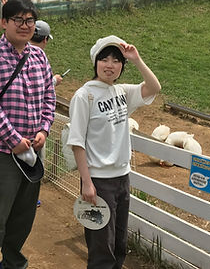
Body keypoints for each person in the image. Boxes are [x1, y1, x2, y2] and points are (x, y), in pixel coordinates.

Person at [0, 0, 56, 268]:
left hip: (33, 150)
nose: (24, 25)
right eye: (17, 20)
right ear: (5, 22)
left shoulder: (39, 56)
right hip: (1, 152)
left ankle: (12, 263)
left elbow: (49, 97)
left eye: (29, 20)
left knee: (23, 217)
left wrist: (44, 129)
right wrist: (13, 139)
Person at [67, 35, 161, 269]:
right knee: (102, 249)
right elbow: (77, 142)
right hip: (98, 182)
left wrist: (137, 59)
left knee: (119, 244)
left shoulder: (122, 92)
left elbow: (154, 87)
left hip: (122, 178)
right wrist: (87, 183)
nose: (110, 65)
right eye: (105, 59)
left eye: (116, 60)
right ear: (95, 62)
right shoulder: (84, 95)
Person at [30, 20, 64, 86]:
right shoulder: (40, 57)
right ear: (45, 39)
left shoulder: (19, 49)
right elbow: (40, 84)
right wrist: (55, 81)